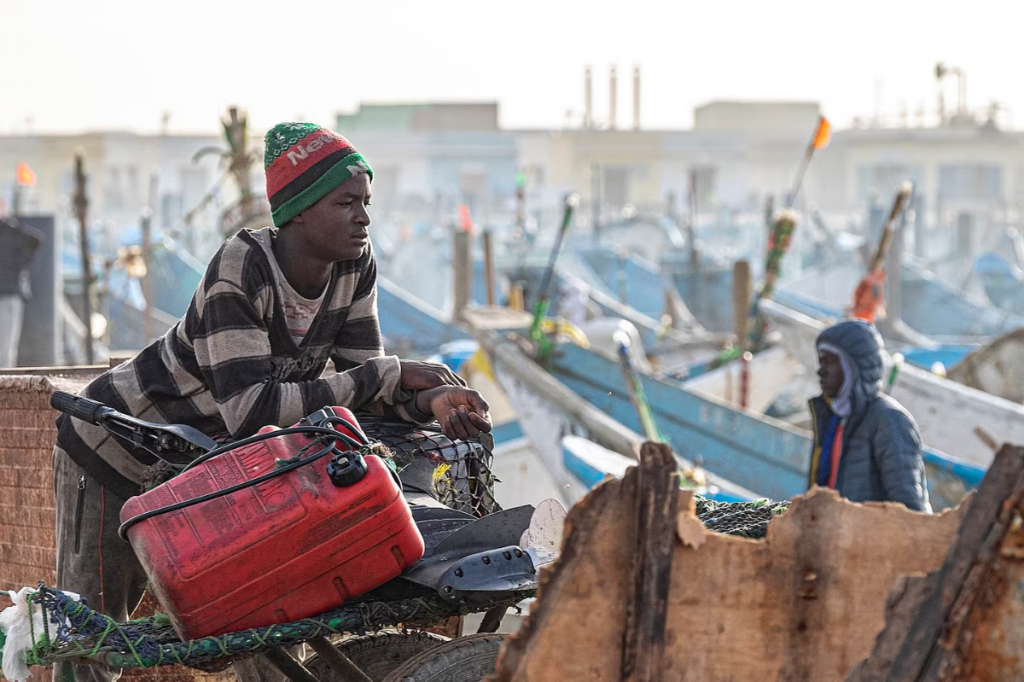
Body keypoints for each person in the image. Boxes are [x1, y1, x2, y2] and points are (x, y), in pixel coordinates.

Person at [52, 123, 491, 682]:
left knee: (263, 618)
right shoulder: (244, 266)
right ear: (299, 211)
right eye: (346, 202)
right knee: (94, 641)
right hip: (119, 450)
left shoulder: (354, 266)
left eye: (366, 202)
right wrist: (388, 374)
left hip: (214, 469)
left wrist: (430, 403)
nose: (364, 217)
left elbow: (365, 395)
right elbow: (252, 411)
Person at [808, 319, 931, 512]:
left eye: (830, 361)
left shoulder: (888, 420)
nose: (820, 371)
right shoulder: (834, 419)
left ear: (853, 366)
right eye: (820, 361)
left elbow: (911, 511)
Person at [0, 216, 42, 367]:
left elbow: (36, 240)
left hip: (9, 294)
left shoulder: (10, 231)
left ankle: (3, 386)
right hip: (9, 293)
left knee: (5, 346)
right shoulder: (11, 231)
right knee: (5, 346)